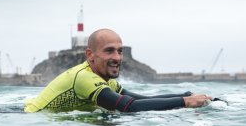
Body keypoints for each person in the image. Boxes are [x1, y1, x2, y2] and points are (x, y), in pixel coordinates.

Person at [24, 29, 212, 113]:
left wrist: (186, 94)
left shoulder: (106, 80)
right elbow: (129, 107)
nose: (117, 57)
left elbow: (141, 100)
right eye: (109, 51)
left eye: (120, 51)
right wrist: (186, 102)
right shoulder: (84, 78)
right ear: (90, 54)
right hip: (29, 117)